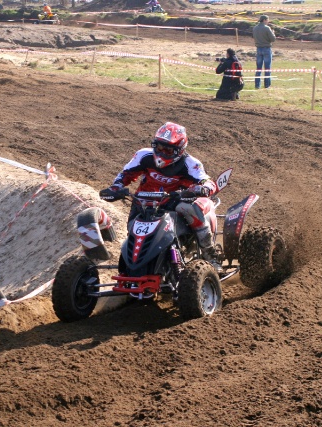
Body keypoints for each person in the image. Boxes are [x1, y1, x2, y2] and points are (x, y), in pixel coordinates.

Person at [100, 122, 222, 271]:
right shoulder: (143, 155)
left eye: (168, 150)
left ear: (179, 150)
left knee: (189, 208)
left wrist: (202, 188)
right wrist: (115, 188)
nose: (162, 153)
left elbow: (207, 182)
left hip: (173, 203)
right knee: (133, 232)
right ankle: (133, 266)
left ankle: (210, 255)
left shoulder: (190, 163)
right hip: (143, 202)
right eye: (159, 148)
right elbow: (126, 174)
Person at [252, 15, 276, 90]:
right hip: (266, 49)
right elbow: (273, 39)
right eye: (267, 20)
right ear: (264, 20)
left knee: (258, 68)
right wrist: (273, 33)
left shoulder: (255, 28)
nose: (268, 21)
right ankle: (267, 85)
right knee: (267, 68)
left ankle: (257, 85)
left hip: (258, 49)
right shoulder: (267, 28)